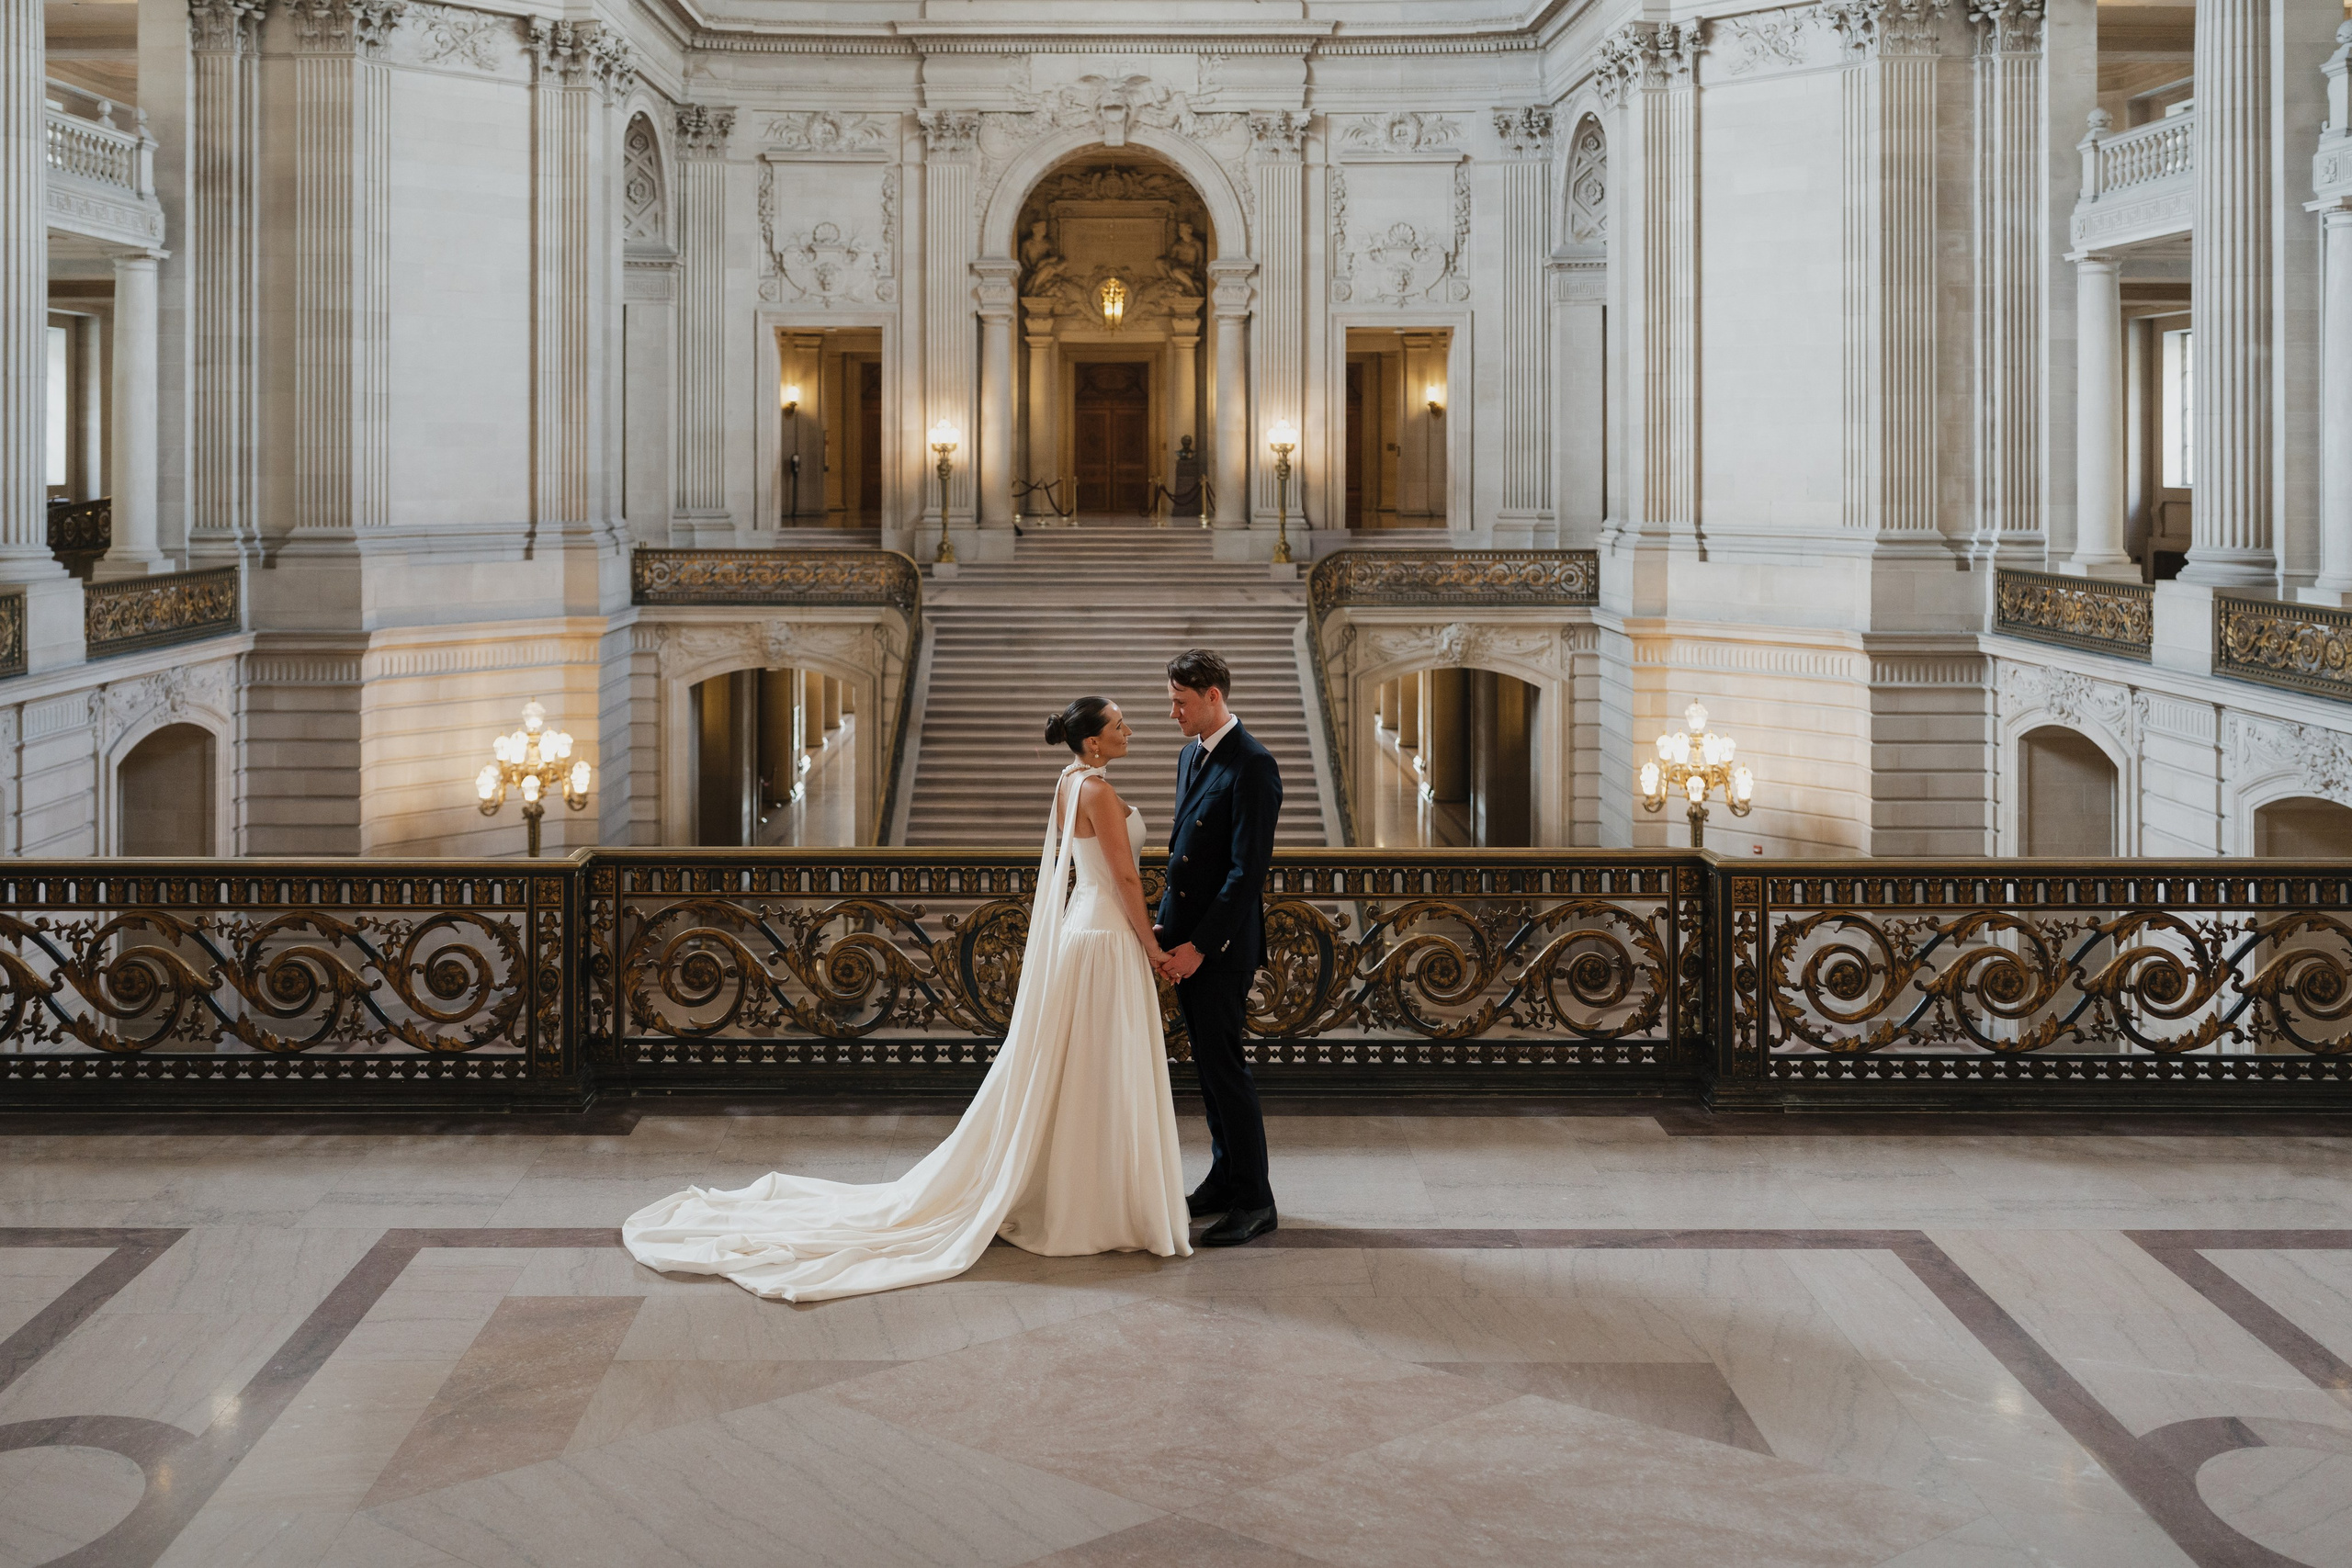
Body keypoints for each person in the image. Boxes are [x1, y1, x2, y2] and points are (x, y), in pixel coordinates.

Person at [621, 697, 1191, 1301]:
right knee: (1099, 1071)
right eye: (1119, 724)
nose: (1130, 729)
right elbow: (1127, 878)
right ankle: (1095, 1201)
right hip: (1104, 935)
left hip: (1086, 928)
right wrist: (1150, 943)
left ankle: (1082, 1193)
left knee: (1082, 1071)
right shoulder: (1097, 793)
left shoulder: (1071, 781)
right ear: (1095, 742)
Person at [1155, 648, 1283, 1247]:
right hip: (1187, 938)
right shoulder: (1191, 755)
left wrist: (1199, 946)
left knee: (1227, 1070)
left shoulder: (1253, 764)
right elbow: (1184, 856)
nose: (1172, 710)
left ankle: (1256, 1198)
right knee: (1208, 1069)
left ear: (1214, 696)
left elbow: (1244, 872)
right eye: (1171, 698)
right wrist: (1165, 928)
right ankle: (1225, 1176)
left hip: (1220, 948)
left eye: (1181, 700)